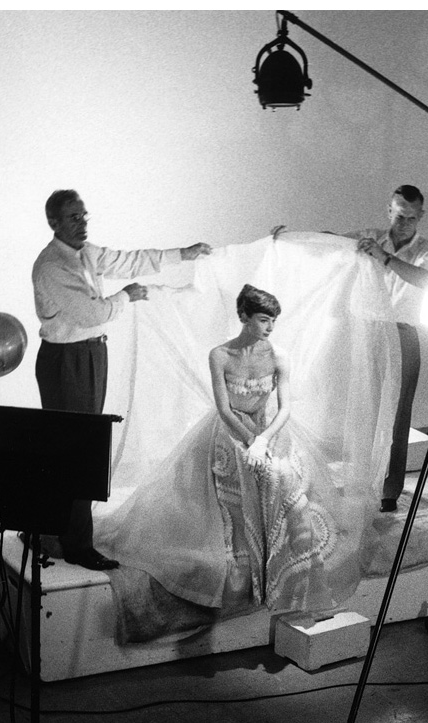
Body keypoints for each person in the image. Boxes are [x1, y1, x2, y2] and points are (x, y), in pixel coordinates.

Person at [99, 284, 337, 621]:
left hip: (269, 428)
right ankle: (245, 557)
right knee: (244, 469)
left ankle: (290, 573)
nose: (270, 327)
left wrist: (263, 440)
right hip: (231, 429)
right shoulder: (220, 355)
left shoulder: (279, 355)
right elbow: (224, 408)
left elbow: (284, 408)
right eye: (263, 320)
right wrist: (248, 440)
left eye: (273, 321)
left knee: (283, 478)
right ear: (243, 316)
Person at [31, 188, 211, 569]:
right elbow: (93, 314)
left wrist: (183, 253)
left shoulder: (86, 252)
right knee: (77, 451)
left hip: (89, 354)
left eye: (84, 216)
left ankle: (53, 531)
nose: (82, 223)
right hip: (68, 361)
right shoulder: (51, 266)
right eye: (73, 218)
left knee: (78, 448)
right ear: (53, 223)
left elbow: (129, 260)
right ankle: (76, 545)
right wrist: (127, 296)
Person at [350, 185, 428, 512]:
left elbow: (426, 280)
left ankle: (389, 491)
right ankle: (361, 483)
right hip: (370, 331)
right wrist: (288, 237)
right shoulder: (371, 238)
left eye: (411, 218)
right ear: (389, 211)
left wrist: (385, 257)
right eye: (399, 216)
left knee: (399, 415)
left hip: (402, 333)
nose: (404, 224)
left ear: (421, 217)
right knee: (364, 409)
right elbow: (328, 242)